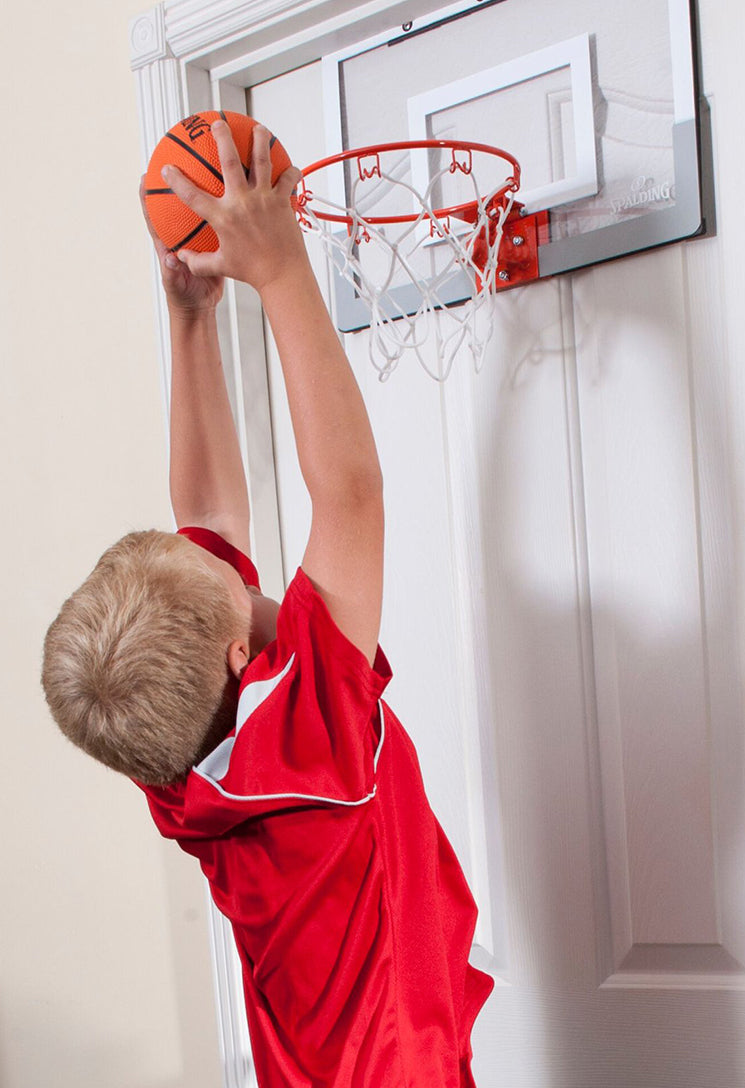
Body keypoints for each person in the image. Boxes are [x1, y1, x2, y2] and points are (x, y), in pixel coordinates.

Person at [41, 118, 492, 1087]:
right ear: (247, 665)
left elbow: (204, 505)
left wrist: (190, 317)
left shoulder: (174, 754)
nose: (235, 561)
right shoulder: (306, 745)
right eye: (232, 576)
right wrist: (282, 273)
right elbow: (352, 495)